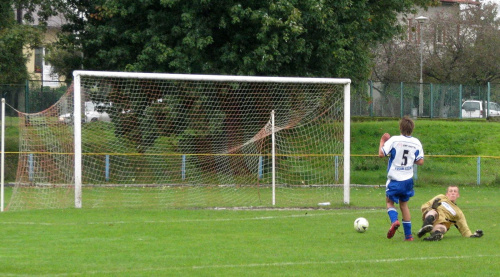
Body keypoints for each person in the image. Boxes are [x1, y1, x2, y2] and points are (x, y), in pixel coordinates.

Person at [378, 116, 424, 241]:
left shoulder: (394, 140)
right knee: (404, 205)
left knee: (389, 202)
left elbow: (381, 154)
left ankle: (394, 221)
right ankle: (408, 236)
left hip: (395, 179)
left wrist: (382, 141)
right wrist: (409, 160)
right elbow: (420, 161)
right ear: (412, 129)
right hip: (408, 180)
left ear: (400, 128)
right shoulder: (416, 142)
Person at [417, 185, 483, 241]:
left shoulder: (458, 212)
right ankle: (424, 228)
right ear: (447, 194)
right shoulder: (441, 197)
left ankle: (436, 235)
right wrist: (432, 207)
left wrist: (473, 235)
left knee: (443, 228)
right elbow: (425, 206)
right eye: (450, 191)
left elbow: (464, 228)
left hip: (442, 223)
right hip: (433, 216)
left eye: (455, 191)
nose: (453, 193)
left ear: (458, 195)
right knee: (433, 212)